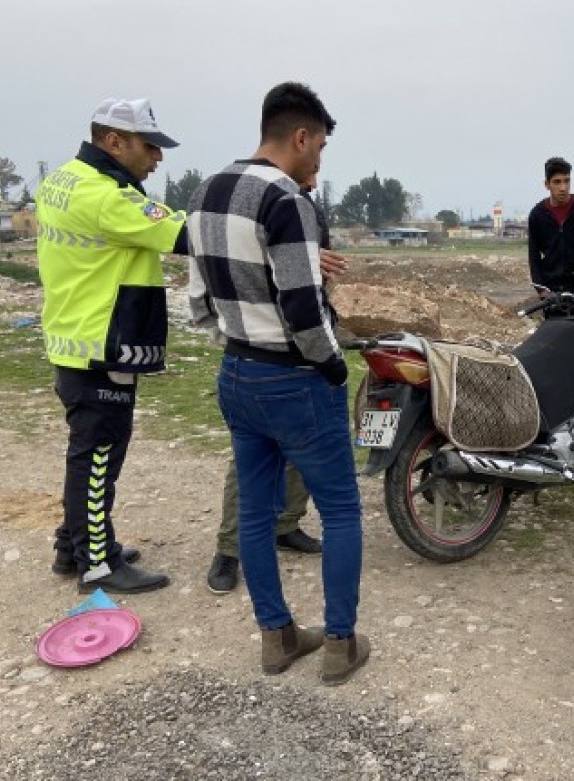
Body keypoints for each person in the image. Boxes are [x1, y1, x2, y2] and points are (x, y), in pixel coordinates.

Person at [187, 82, 368, 685]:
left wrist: (239, 339)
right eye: (319, 145)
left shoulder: (206, 192)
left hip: (235, 374)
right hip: (294, 378)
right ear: (300, 136)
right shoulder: (288, 200)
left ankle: (278, 637)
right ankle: (340, 644)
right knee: (342, 510)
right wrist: (333, 366)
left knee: (257, 515)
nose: (319, 159)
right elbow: (303, 309)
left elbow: (197, 302)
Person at [38, 97, 187, 594]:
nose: (158, 158)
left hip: (73, 335)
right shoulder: (107, 198)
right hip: (102, 343)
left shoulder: (61, 180)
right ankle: (97, 562)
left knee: (86, 451)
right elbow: (185, 234)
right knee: (99, 456)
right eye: (150, 147)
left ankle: (71, 546)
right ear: (113, 141)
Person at [204, 172, 345, 595]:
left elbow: (315, 284)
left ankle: (287, 525)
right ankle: (228, 551)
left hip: (304, 354)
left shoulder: (304, 207)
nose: (317, 176)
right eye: (315, 155)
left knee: (305, 450)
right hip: (263, 352)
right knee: (251, 464)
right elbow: (241, 264)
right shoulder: (257, 202)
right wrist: (299, 260)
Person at [526, 157, 574, 306]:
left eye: (567, 181)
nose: (563, 187)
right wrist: (540, 289)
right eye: (557, 182)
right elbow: (533, 255)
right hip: (551, 291)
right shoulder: (537, 215)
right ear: (547, 184)